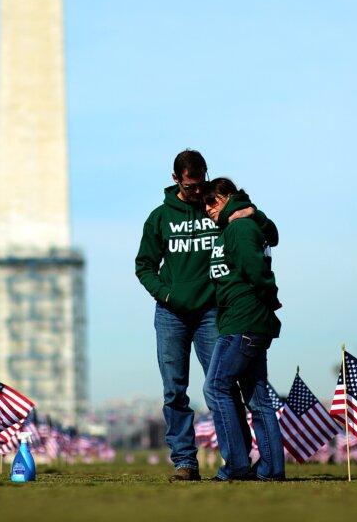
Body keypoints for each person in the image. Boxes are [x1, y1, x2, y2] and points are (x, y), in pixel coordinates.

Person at [135, 150, 279, 482]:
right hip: (171, 314)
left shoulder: (218, 208)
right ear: (175, 180)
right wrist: (167, 293)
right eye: (190, 187)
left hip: (213, 313)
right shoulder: (159, 218)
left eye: (201, 185)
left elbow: (266, 235)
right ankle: (185, 462)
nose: (197, 193)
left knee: (223, 388)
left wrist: (253, 213)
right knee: (175, 391)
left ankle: (238, 460)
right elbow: (143, 265)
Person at [201, 177, 285, 481]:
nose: (207, 208)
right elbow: (271, 237)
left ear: (226, 197)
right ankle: (272, 469)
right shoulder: (237, 226)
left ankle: (236, 464)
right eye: (204, 204)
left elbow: (256, 269)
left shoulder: (239, 227)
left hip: (242, 321)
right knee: (257, 397)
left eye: (212, 201)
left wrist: (271, 298)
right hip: (246, 320)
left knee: (216, 386)